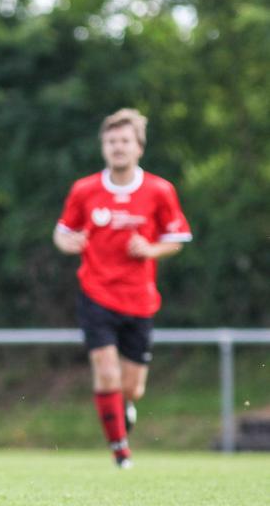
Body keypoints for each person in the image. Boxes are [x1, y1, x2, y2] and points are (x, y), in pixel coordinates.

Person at [53, 109, 191, 468]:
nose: (118, 147)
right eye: (112, 141)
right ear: (103, 146)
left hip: (140, 299)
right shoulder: (85, 189)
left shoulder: (160, 190)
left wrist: (151, 249)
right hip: (96, 293)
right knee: (107, 373)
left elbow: (176, 239)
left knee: (132, 388)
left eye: (125, 141)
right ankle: (120, 452)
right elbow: (62, 233)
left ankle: (124, 407)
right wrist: (70, 243)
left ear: (139, 147)